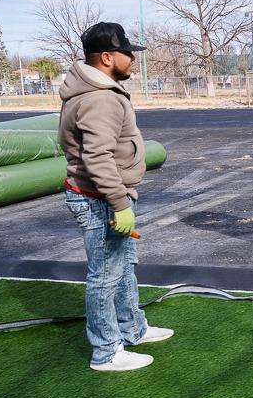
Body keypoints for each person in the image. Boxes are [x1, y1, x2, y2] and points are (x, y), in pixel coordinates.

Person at [60, 22, 173, 372]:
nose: (133, 60)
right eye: (128, 54)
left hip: (106, 196)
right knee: (106, 275)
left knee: (123, 269)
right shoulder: (100, 98)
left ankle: (132, 329)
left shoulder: (99, 91)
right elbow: (97, 156)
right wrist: (119, 203)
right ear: (107, 57)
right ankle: (107, 352)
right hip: (101, 200)